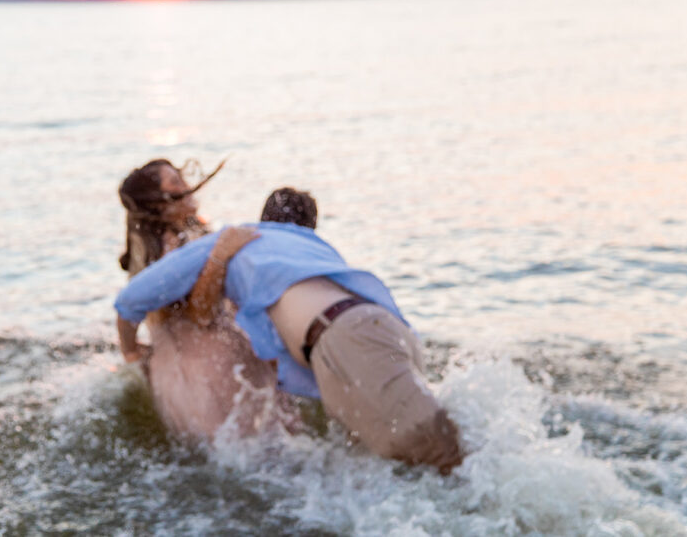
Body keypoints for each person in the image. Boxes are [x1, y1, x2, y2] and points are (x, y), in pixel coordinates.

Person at [116, 188, 463, 473]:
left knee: (442, 462)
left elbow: (130, 300)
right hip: (384, 333)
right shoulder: (313, 250)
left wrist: (131, 352)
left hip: (346, 339)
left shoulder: (241, 239)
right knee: (385, 469)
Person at [116, 159, 294, 440]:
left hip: (181, 371)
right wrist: (221, 255)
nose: (187, 187)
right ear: (159, 204)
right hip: (207, 371)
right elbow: (201, 314)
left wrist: (131, 353)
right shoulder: (171, 250)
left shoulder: (174, 242)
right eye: (175, 183)